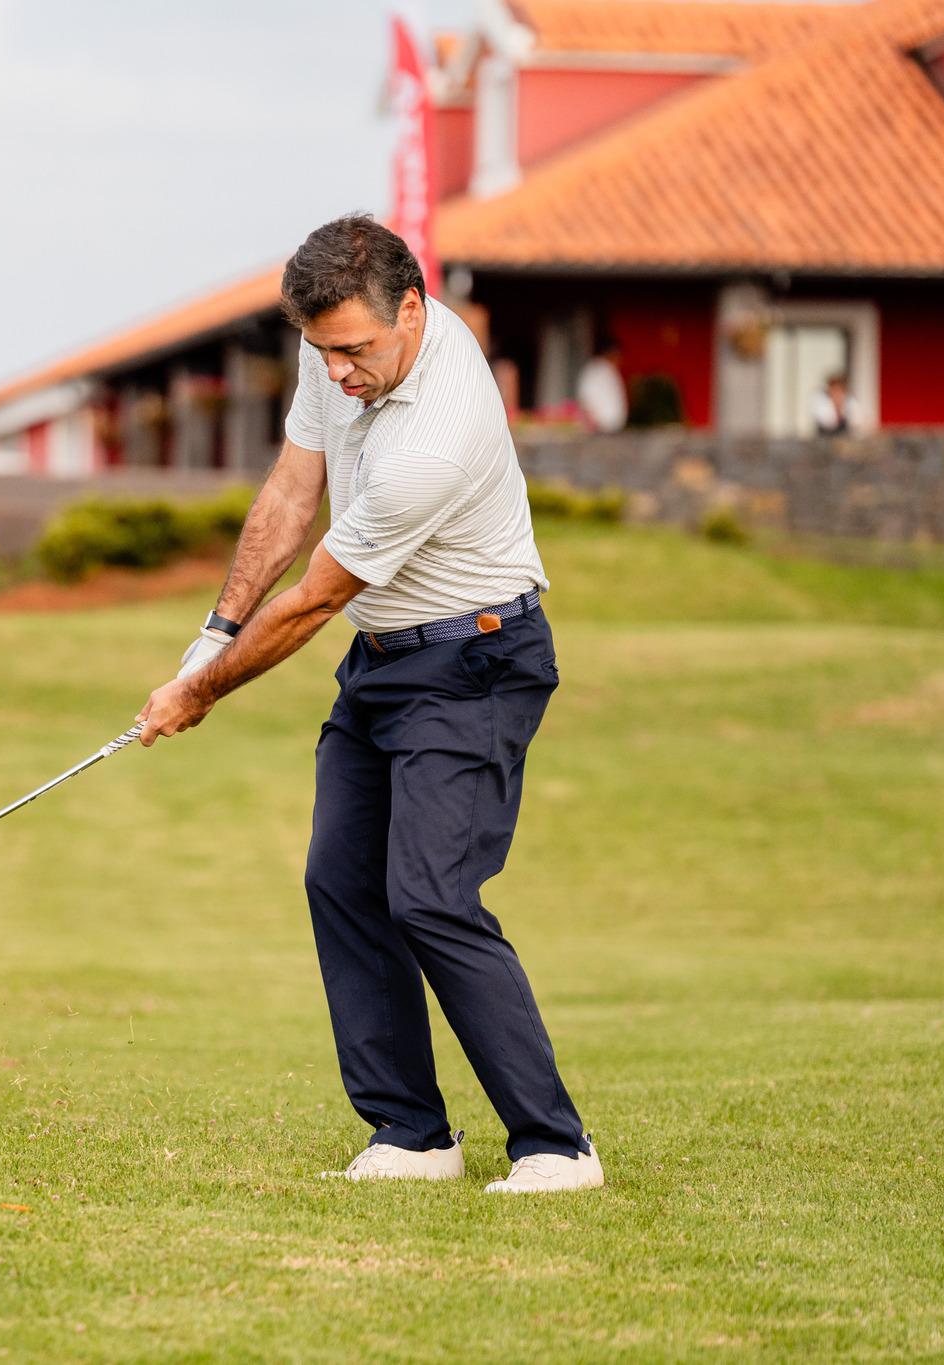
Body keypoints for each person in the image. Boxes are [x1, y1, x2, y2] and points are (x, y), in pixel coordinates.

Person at [135, 214, 601, 1194]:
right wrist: (213, 634)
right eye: (321, 351)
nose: (337, 371)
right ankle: (413, 1134)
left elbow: (314, 599)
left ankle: (556, 1147)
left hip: (475, 662)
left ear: (411, 311)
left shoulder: (434, 438)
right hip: (383, 660)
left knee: (429, 897)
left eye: (352, 350)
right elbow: (290, 489)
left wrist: (198, 694)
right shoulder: (342, 347)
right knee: (341, 880)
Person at [576, 334, 626, 433]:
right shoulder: (595, 369)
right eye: (617, 353)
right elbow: (586, 398)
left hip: (612, 429)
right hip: (599, 429)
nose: (619, 358)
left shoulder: (608, 369)